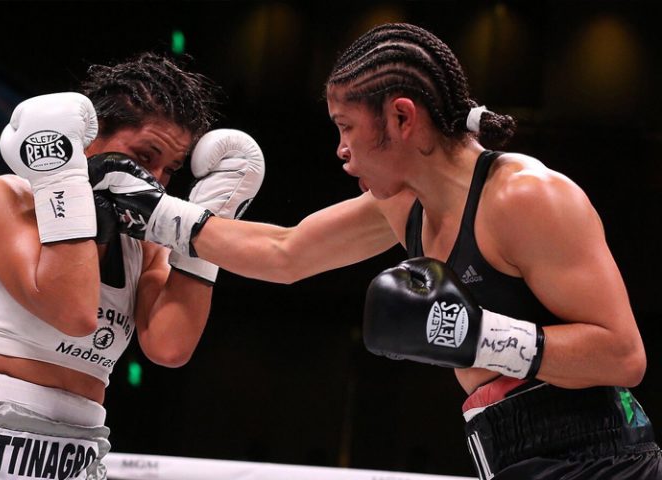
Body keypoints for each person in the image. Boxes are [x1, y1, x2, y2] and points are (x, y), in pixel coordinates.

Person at [84, 23, 661, 479]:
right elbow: (286, 252)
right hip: (507, 451)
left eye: (346, 127)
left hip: (602, 457)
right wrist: (160, 214)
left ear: (401, 117)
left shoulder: (527, 197)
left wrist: (476, 336)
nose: (340, 150)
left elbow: (623, 355)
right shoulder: (404, 203)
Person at [0, 52, 264, 480]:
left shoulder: (144, 244)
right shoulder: (2, 199)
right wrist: (67, 186)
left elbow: (170, 347)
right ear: (88, 137)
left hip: (72, 462)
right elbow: (73, 312)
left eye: (169, 170)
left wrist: (209, 224)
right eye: (145, 156)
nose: (154, 181)